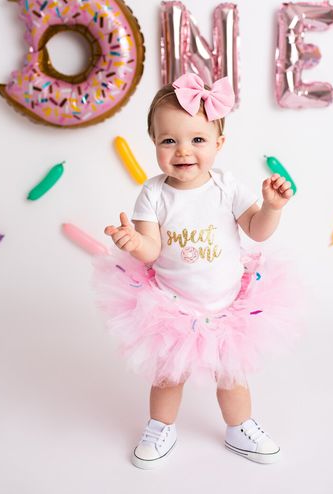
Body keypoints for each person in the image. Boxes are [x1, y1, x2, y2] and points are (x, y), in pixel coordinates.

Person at [94, 73, 296, 470]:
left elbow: (255, 232)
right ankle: (160, 426)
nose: (183, 150)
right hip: (175, 307)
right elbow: (152, 250)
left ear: (219, 144)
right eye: (169, 140)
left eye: (197, 140)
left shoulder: (226, 187)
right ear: (154, 143)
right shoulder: (153, 193)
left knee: (232, 375)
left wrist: (271, 207)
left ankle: (239, 427)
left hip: (227, 306)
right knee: (168, 376)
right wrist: (134, 243)